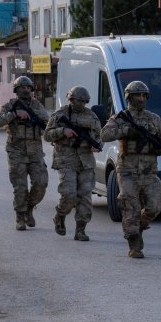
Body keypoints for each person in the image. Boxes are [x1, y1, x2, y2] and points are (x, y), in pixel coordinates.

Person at [101, 80, 161, 259]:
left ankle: (139, 226)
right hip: (128, 171)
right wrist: (125, 131)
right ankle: (134, 243)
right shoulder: (121, 118)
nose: (140, 99)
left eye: (143, 95)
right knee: (129, 206)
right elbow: (105, 135)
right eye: (136, 95)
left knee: (155, 206)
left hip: (149, 171)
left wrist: (159, 147)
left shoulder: (154, 119)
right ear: (129, 97)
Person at [44, 86, 103, 241]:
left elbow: (99, 136)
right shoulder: (60, 115)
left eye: (84, 101)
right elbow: (47, 135)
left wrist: (96, 144)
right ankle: (60, 216)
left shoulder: (92, 116)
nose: (81, 104)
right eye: (78, 101)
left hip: (86, 161)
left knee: (85, 197)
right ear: (70, 99)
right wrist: (62, 132)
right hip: (65, 160)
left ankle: (80, 229)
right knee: (69, 194)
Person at [0, 76, 49, 231]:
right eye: (22, 87)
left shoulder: (37, 105)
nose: (26, 90)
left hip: (35, 151)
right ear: (16, 90)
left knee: (41, 183)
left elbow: (47, 123)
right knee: (20, 187)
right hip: (16, 151)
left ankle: (29, 208)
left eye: (28, 87)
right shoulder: (9, 105)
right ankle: (20, 216)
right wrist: (15, 114)